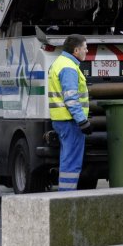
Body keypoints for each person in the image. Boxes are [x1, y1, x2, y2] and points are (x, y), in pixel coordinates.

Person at [48, 34, 91, 191]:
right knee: (71, 163)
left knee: (67, 160)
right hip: (70, 122)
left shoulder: (60, 63)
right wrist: (82, 121)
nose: (87, 51)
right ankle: (66, 197)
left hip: (62, 120)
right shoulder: (68, 67)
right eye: (85, 48)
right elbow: (71, 98)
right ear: (76, 50)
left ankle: (64, 196)